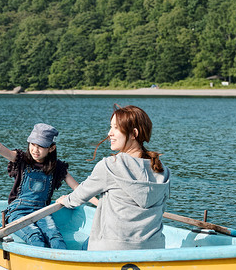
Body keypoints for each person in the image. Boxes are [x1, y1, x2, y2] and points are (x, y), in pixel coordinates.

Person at [0, 123, 99, 249]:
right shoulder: (22, 160)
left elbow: (78, 189)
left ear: (51, 148)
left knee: (55, 237)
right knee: (35, 236)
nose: (35, 150)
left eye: (41, 146)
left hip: (42, 212)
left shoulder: (57, 167)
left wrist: (100, 204)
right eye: (33, 145)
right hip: (18, 212)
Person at [56, 104, 171, 251]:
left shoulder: (110, 166)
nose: (109, 133)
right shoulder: (163, 171)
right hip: (153, 248)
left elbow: (80, 196)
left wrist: (65, 200)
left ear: (133, 133)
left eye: (115, 128)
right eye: (111, 127)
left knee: (81, 245)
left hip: (113, 248)